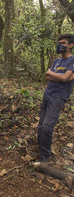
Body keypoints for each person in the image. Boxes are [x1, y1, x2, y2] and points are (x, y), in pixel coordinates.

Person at [38, 34, 74, 162]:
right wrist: (60, 76)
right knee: (41, 125)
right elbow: (49, 77)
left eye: (64, 43)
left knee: (48, 126)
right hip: (48, 93)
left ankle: (45, 156)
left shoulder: (72, 61)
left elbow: (64, 79)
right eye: (60, 43)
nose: (60, 45)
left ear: (71, 45)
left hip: (59, 97)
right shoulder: (56, 61)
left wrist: (51, 73)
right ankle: (41, 147)